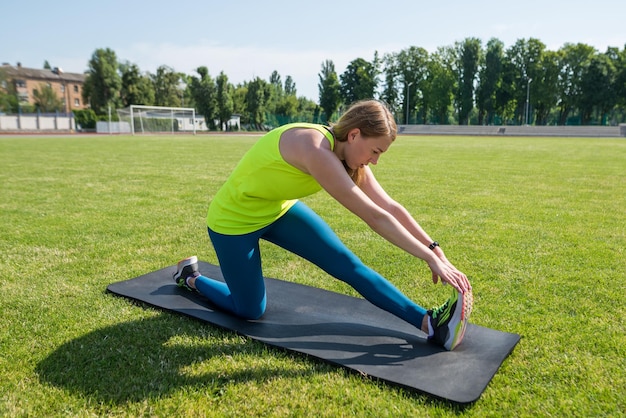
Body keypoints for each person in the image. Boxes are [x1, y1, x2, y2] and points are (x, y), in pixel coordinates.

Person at [174, 99, 472, 350]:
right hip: (233, 221)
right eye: (376, 151)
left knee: (348, 265)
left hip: (277, 211)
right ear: (354, 135)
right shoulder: (316, 150)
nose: (375, 161)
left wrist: (435, 249)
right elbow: (374, 216)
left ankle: (429, 324)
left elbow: (390, 206)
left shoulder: (350, 158)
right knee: (251, 310)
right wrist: (428, 258)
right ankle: (191, 277)